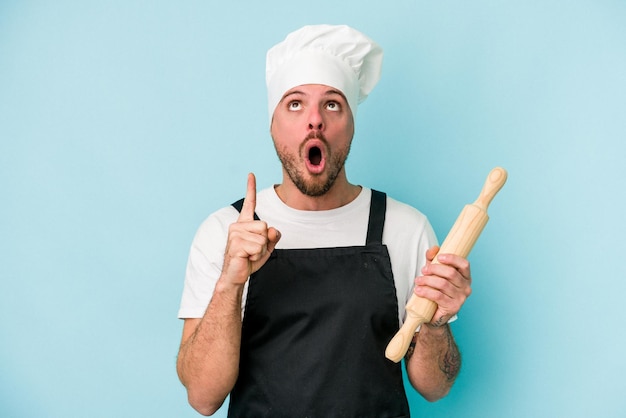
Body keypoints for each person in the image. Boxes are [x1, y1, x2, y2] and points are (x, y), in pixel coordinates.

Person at [176, 24, 472, 417]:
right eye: (294, 104)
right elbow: (202, 397)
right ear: (273, 125)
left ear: (351, 124)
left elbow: (434, 388)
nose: (314, 120)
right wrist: (230, 284)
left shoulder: (404, 228)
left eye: (332, 104)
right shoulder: (224, 232)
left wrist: (436, 324)